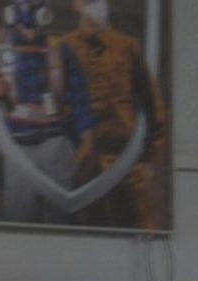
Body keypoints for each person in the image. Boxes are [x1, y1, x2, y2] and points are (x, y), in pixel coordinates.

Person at [0, 0, 94, 225]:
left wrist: (87, 140)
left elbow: (80, 97)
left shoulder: (61, 50)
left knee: (60, 220)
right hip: (16, 147)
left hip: (56, 143)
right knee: (19, 218)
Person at [60, 0, 166, 229]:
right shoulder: (62, 49)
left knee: (138, 232)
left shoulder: (127, 47)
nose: (99, 7)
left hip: (125, 165)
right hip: (80, 169)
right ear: (77, 5)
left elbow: (152, 108)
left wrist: (147, 162)